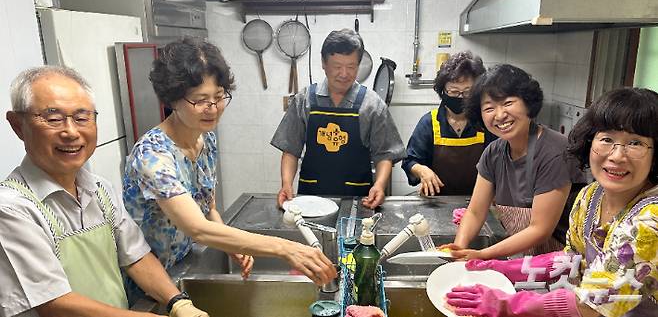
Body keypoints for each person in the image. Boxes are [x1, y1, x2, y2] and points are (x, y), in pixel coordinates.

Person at [122, 37, 336, 296]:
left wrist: (231, 244)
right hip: (149, 283)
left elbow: (207, 206)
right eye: (200, 100)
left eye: (219, 96)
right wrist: (285, 248)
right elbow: (196, 228)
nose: (212, 109)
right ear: (172, 99)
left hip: (183, 266)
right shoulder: (153, 155)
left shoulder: (204, 138)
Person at [1, 66, 208, 317]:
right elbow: (53, 302)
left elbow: (137, 257)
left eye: (81, 118)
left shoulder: (99, 190)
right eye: (54, 119)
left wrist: (178, 302)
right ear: (18, 125)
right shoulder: (11, 208)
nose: (71, 132)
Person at [446, 87, 658, 317]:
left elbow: (592, 304)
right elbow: (571, 260)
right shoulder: (591, 196)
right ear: (590, 142)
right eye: (607, 139)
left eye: (635, 143)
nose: (617, 156)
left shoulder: (650, 220)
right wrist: (502, 268)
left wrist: (507, 304)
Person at [446, 64, 587, 259]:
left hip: (563, 264)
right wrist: (458, 248)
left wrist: (482, 254)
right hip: (527, 263)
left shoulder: (555, 152)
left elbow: (540, 229)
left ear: (528, 103)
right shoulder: (493, 153)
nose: (500, 114)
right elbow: (475, 213)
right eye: (489, 108)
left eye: (508, 103)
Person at [270, 28, 406, 209]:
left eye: (351, 67)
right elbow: (291, 149)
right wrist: (286, 184)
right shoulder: (305, 99)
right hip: (311, 199)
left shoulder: (372, 104)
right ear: (324, 63)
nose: (344, 74)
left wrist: (379, 186)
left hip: (359, 202)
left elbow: (385, 154)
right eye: (337, 66)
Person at [401, 51, 497, 196]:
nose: (460, 97)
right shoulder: (429, 123)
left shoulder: (485, 123)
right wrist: (422, 170)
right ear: (443, 91)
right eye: (453, 91)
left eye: (467, 92)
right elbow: (409, 161)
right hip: (436, 201)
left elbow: (499, 164)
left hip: (477, 201)